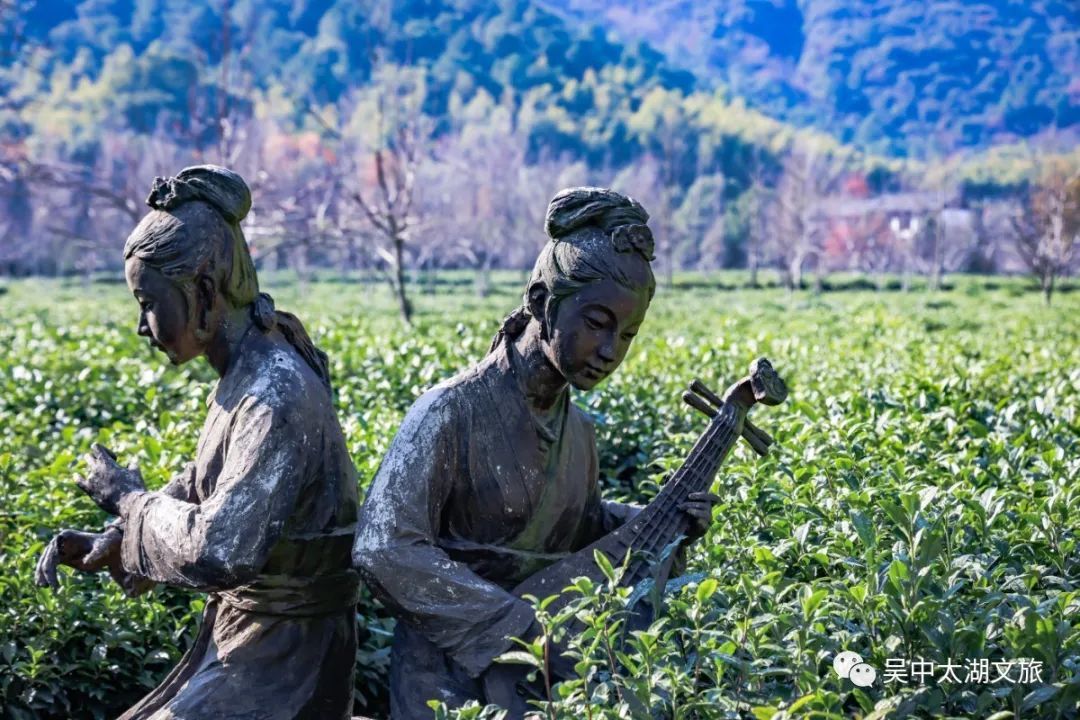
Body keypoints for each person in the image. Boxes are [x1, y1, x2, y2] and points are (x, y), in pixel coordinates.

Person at [352, 187, 719, 718]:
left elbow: (575, 528)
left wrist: (663, 522)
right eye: (597, 323)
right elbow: (382, 547)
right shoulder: (449, 411)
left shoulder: (580, 433)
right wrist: (510, 623)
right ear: (544, 303)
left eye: (629, 334)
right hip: (449, 683)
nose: (611, 351)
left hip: (540, 677)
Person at [34, 165, 361, 720]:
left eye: (147, 304)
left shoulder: (274, 393)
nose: (142, 326)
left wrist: (130, 502)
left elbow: (223, 548)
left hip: (287, 663)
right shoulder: (245, 376)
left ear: (204, 291)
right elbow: (207, 487)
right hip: (249, 643)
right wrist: (118, 538)